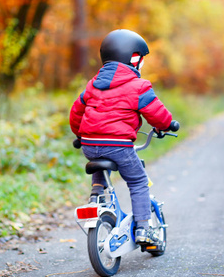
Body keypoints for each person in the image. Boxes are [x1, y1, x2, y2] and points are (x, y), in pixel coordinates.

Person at [69, 29, 173, 245]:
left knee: (99, 159)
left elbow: (76, 112)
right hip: (118, 146)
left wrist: (80, 134)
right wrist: (167, 124)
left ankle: (96, 194)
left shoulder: (93, 84)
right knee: (138, 181)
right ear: (133, 58)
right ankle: (144, 228)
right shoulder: (138, 86)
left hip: (90, 145)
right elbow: (156, 113)